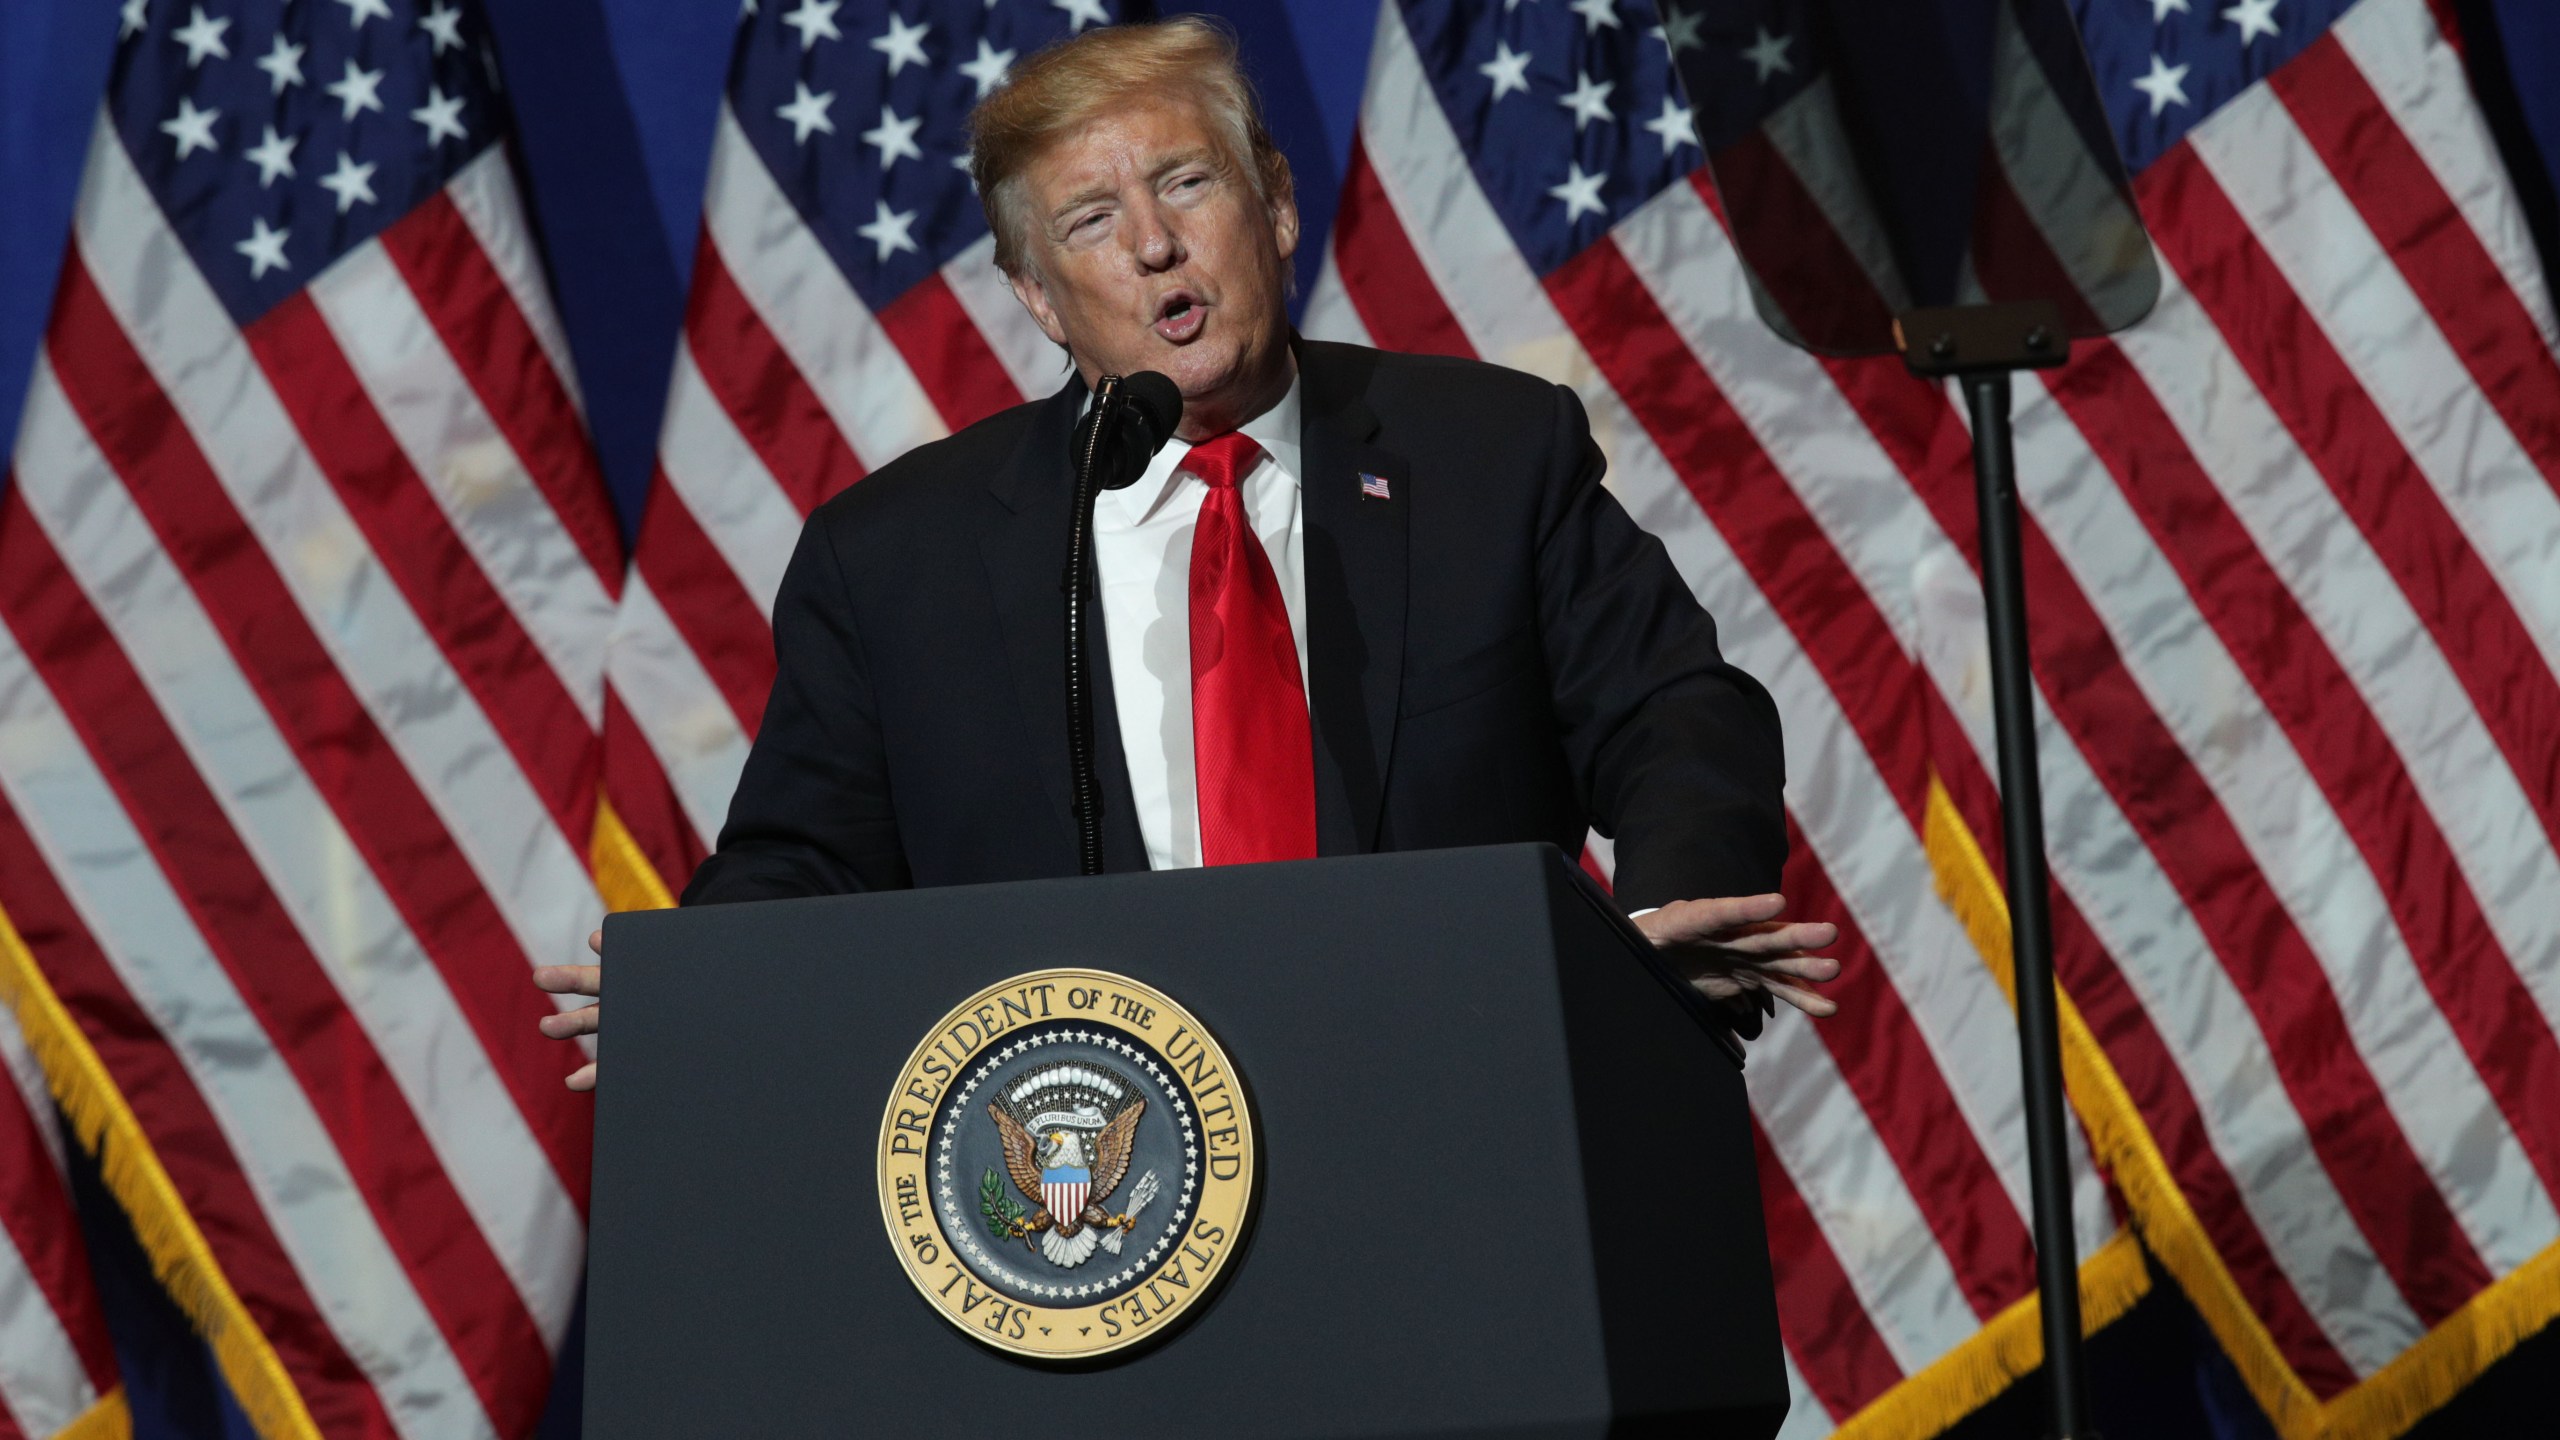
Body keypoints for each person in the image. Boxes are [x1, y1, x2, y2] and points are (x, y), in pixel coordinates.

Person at [534, 18, 1836, 1090]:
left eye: (1185, 183)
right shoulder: (898, 561)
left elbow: (1673, 713)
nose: (1152, 242)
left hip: (1462, 1102)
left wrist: (1672, 912)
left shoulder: (1485, 455)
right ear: (1042, 298)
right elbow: (805, 858)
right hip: (1093, 1185)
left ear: (1271, 206)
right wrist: (701, 1002)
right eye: (1091, 219)